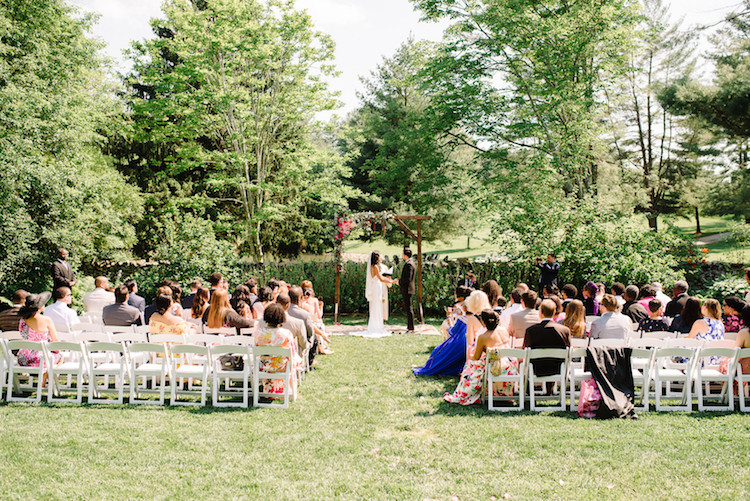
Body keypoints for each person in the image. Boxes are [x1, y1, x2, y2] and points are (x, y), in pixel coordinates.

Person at [444, 309, 515, 405]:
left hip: (494, 368)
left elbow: (476, 357)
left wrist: (470, 355)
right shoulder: (503, 331)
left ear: (483, 322)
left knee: (469, 366)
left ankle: (463, 393)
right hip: (509, 367)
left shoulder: (483, 337)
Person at [412, 290, 489, 376]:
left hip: (463, 346)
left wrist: (449, 317)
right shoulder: (486, 317)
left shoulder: (467, 319)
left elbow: (451, 332)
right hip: (481, 347)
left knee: (437, 351)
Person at [255, 303, 302, 396]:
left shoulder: (259, 332)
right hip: (281, 367)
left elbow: (256, 349)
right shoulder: (286, 334)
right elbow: (292, 354)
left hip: (264, 367)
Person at [524, 299, 571, 377]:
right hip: (559, 369)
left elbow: (526, 350)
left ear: (541, 312)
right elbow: (569, 352)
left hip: (536, 369)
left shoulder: (531, 331)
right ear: (554, 312)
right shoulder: (565, 331)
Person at [17, 292, 59, 367]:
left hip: (23, 357)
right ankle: (44, 378)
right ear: (39, 307)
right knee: (60, 358)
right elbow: (55, 341)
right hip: (40, 357)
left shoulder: (22, 320)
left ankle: (41, 377)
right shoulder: (46, 320)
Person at [361, 251, 397, 337]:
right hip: (376, 287)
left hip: (378, 287)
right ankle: (375, 326)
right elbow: (380, 278)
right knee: (376, 306)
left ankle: (378, 325)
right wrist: (392, 281)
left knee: (378, 306)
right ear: (377, 258)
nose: (382, 257)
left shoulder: (377, 266)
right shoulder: (375, 267)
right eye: (380, 256)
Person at [288, 286, 319, 367]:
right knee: (315, 337)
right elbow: (310, 332)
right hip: (299, 344)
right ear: (300, 298)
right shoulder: (304, 314)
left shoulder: (282, 311)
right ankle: (309, 363)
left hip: (285, 343)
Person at [274, 293, 308, 357]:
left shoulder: (263, 323)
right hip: (291, 359)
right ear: (288, 305)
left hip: (268, 360)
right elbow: (303, 344)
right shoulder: (298, 323)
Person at [399, 246, 416, 332]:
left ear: (405, 255)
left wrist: (399, 282)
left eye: (402, 254)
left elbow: (407, 279)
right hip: (407, 288)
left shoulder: (409, 264)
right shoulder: (410, 263)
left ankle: (411, 327)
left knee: (409, 308)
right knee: (408, 308)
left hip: (407, 289)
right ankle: (410, 326)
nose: (402, 255)